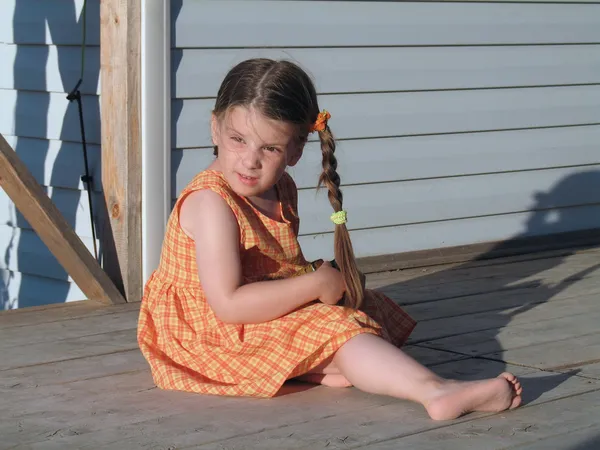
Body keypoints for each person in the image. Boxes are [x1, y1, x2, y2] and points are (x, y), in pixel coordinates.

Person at [137, 58, 522, 421]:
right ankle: (435, 391)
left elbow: (272, 269)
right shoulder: (212, 203)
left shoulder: (280, 187)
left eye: (269, 148)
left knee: (361, 309)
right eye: (238, 139)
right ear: (214, 128)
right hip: (206, 337)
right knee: (337, 327)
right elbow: (228, 305)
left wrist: (319, 278)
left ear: (295, 150)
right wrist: (315, 283)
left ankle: (322, 367)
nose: (249, 161)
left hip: (249, 311)